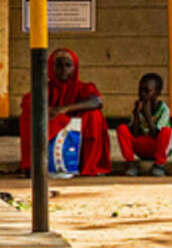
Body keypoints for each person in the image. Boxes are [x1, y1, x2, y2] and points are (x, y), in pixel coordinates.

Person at [18, 47, 110, 176]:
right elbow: (29, 103)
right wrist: (50, 113)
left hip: (76, 127)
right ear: (51, 67)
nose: (64, 69)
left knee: (94, 115)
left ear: (75, 67)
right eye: (59, 65)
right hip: (53, 126)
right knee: (29, 116)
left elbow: (97, 102)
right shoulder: (45, 88)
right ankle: (35, 165)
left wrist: (65, 109)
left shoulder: (83, 87)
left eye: (68, 65)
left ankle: (89, 166)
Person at [117, 72, 172, 176]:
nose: (142, 94)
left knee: (166, 131)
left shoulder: (164, 110)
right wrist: (137, 114)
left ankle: (159, 165)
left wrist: (148, 116)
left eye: (147, 91)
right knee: (122, 128)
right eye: (140, 90)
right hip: (142, 146)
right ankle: (130, 163)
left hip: (156, 146)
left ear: (157, 93)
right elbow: (135, 133)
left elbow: (155, 133)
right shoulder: (138, 107)